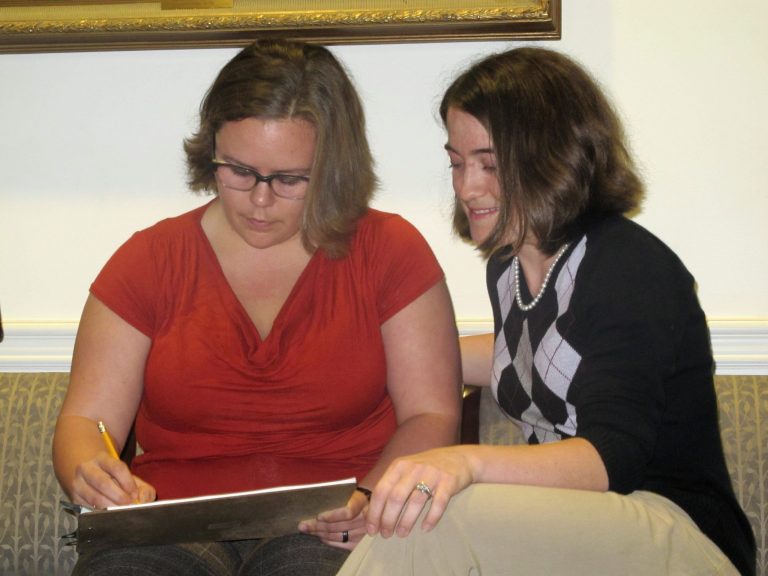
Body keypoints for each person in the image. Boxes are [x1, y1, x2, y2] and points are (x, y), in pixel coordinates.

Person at [337, 47, 756, 576]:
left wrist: (462, 462)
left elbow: (610, 458)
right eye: (456, 162)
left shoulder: (628, 266)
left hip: (678, 535)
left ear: (551, 155)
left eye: (489, 163)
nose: (466, 186)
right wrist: (367, 353)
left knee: (439, 516)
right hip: (585, 531)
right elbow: (523, 358)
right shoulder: (509, 270)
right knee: (423, 519)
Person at [52, 39, 462, 576]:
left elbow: (430, 414)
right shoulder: (149, 260)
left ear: (333, 165)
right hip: (170, 525)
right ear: (211, 151)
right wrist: (88, 468)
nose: (260, 200)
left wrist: (372, 496)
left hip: (337, 525)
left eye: (289, 179)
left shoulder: (389, 251)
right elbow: (86, 419)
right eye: (239, 171)